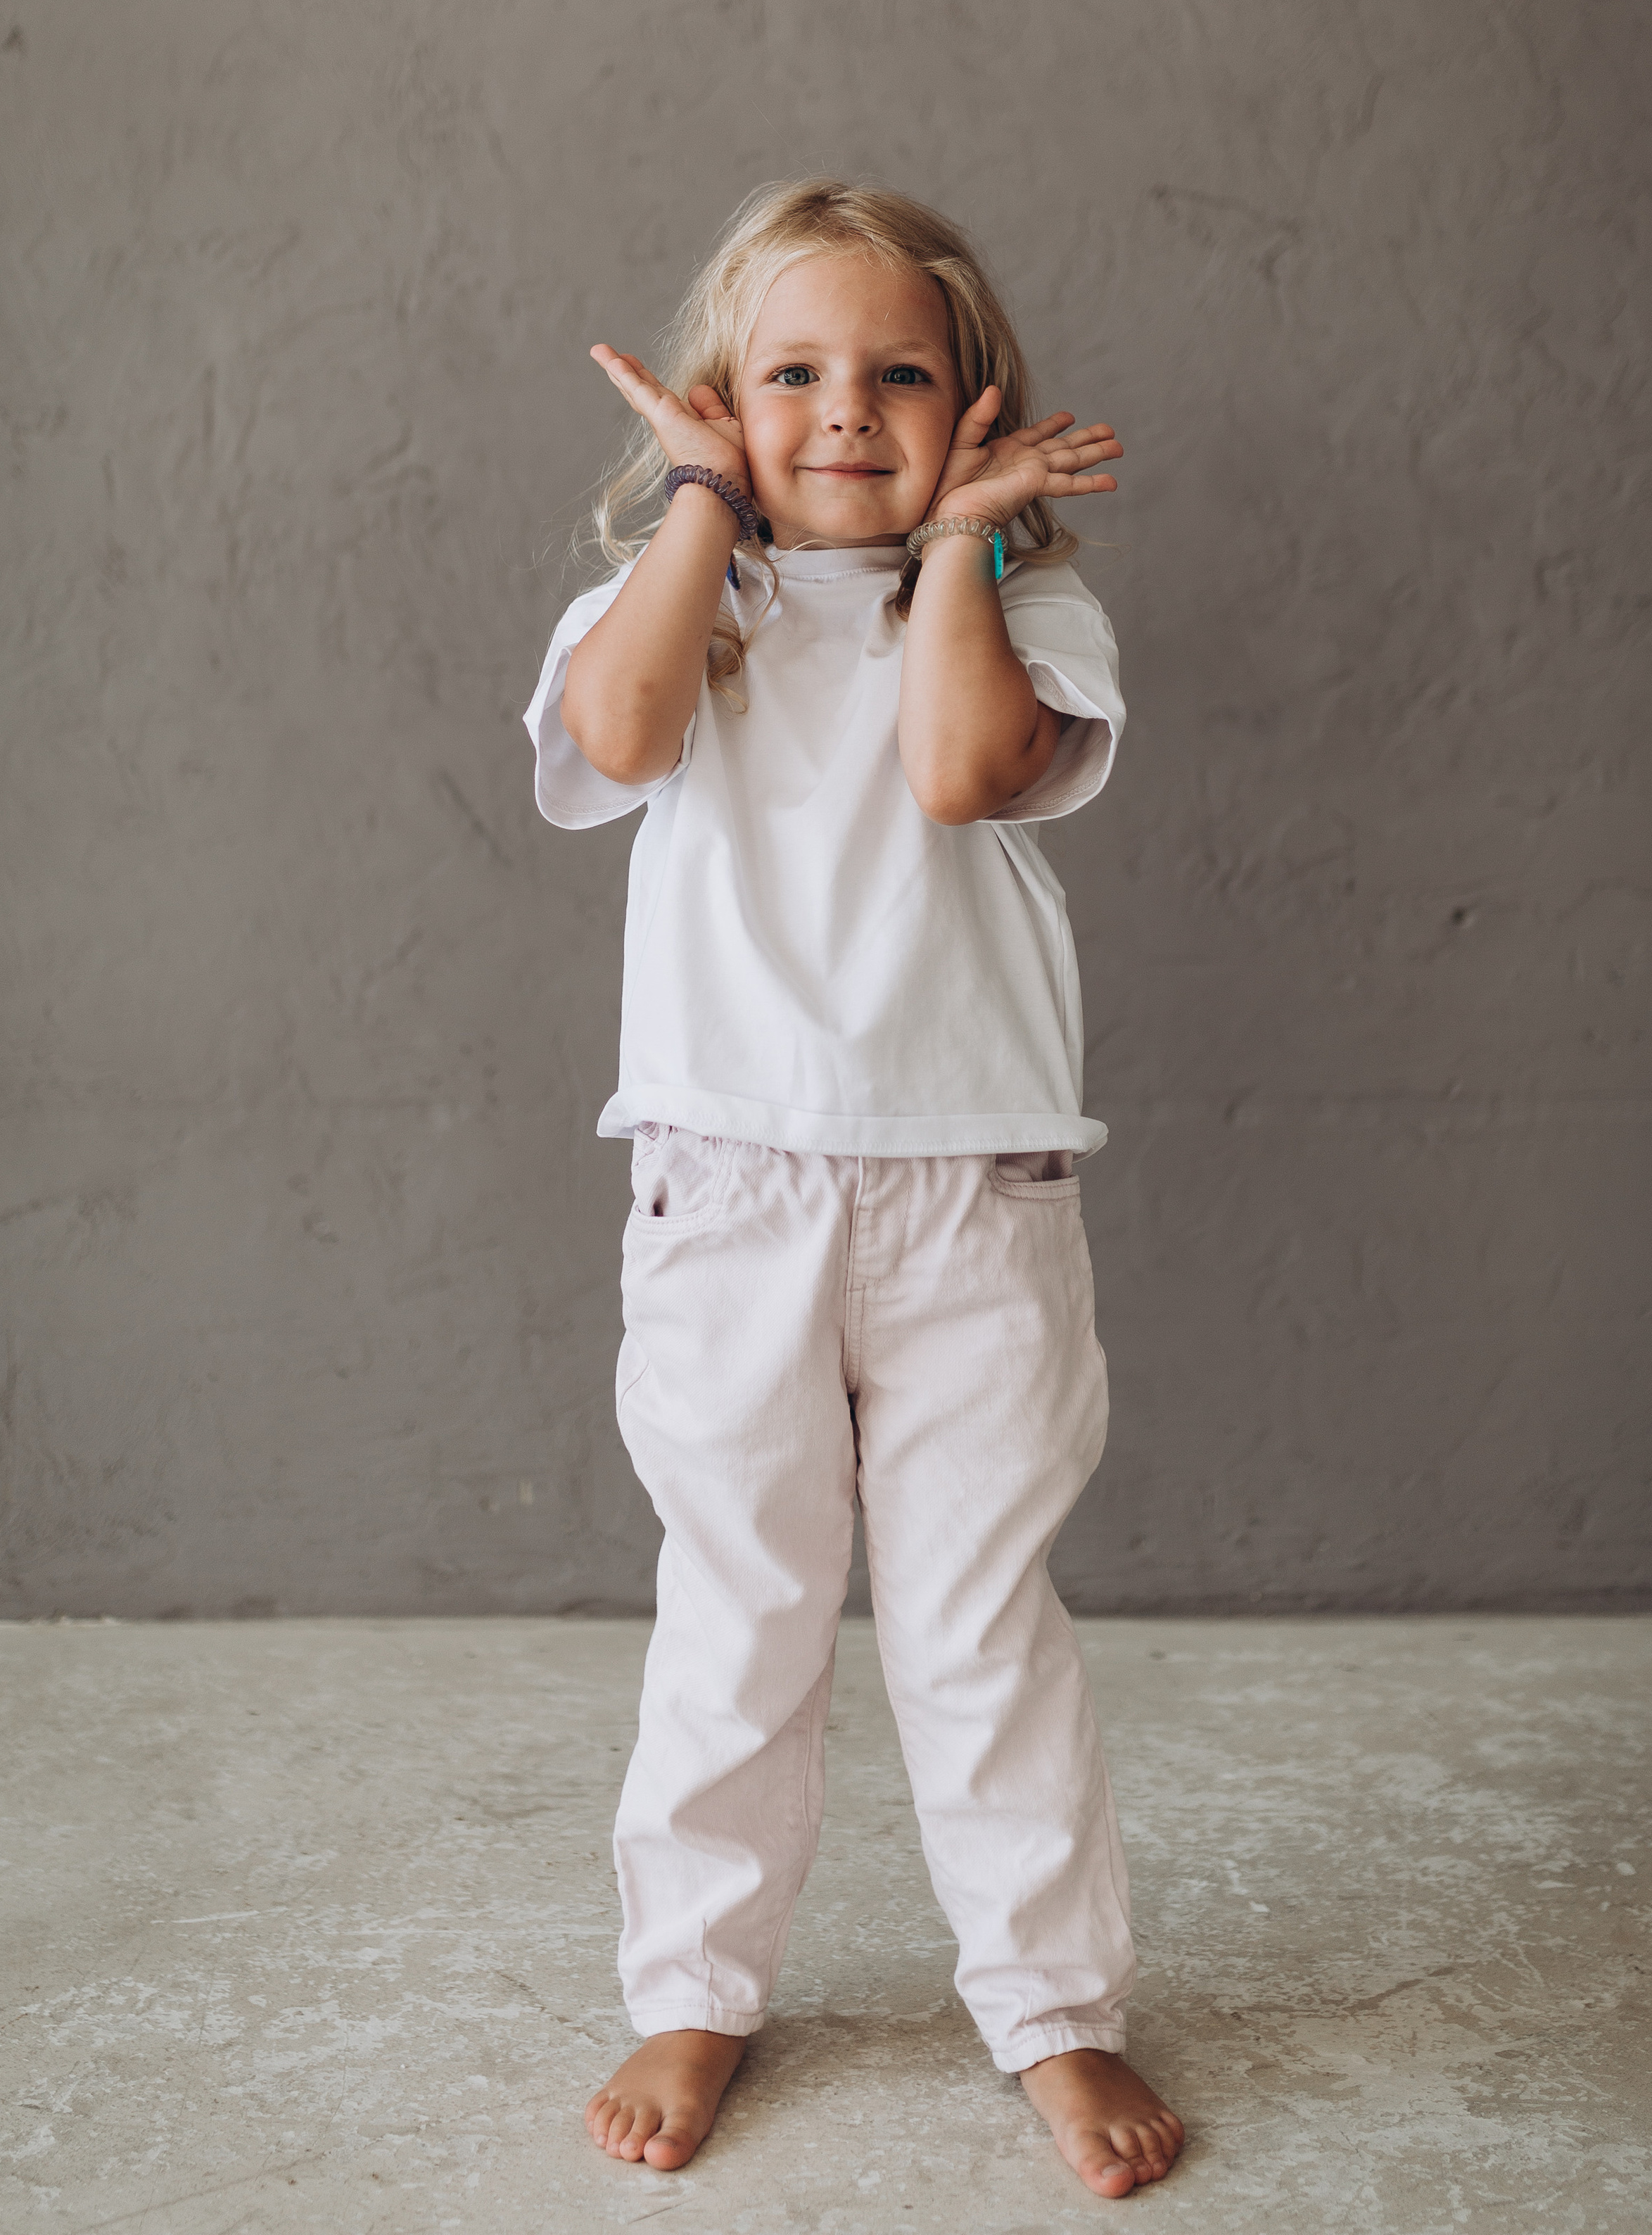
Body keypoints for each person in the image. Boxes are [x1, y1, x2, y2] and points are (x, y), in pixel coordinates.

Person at [523, 178, 1184, 2198]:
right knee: (740, 1610)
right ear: (716, 402)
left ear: (976, 406)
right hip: (728, 1193)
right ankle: (699, 1986)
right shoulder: (670, 607)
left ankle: (1055, 2010)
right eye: (790, 372)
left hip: (969, 1199)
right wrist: (695, 513)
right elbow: (624, 734)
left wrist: (967, 543)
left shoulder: (1024, 609)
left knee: (980, 1624)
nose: (841, 410)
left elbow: (961, 768)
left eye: (901, 373)